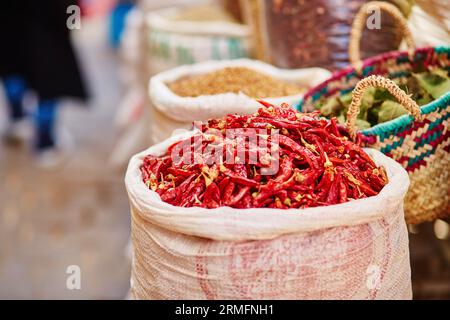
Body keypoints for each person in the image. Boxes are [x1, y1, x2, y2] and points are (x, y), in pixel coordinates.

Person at [0, 1, 88, 164]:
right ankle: (45, 143)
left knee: (12, 71)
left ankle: (18, 121)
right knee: (49, 83)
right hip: (47, 30)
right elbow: (70, 8)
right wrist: (73, 24)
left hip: (10, 26)